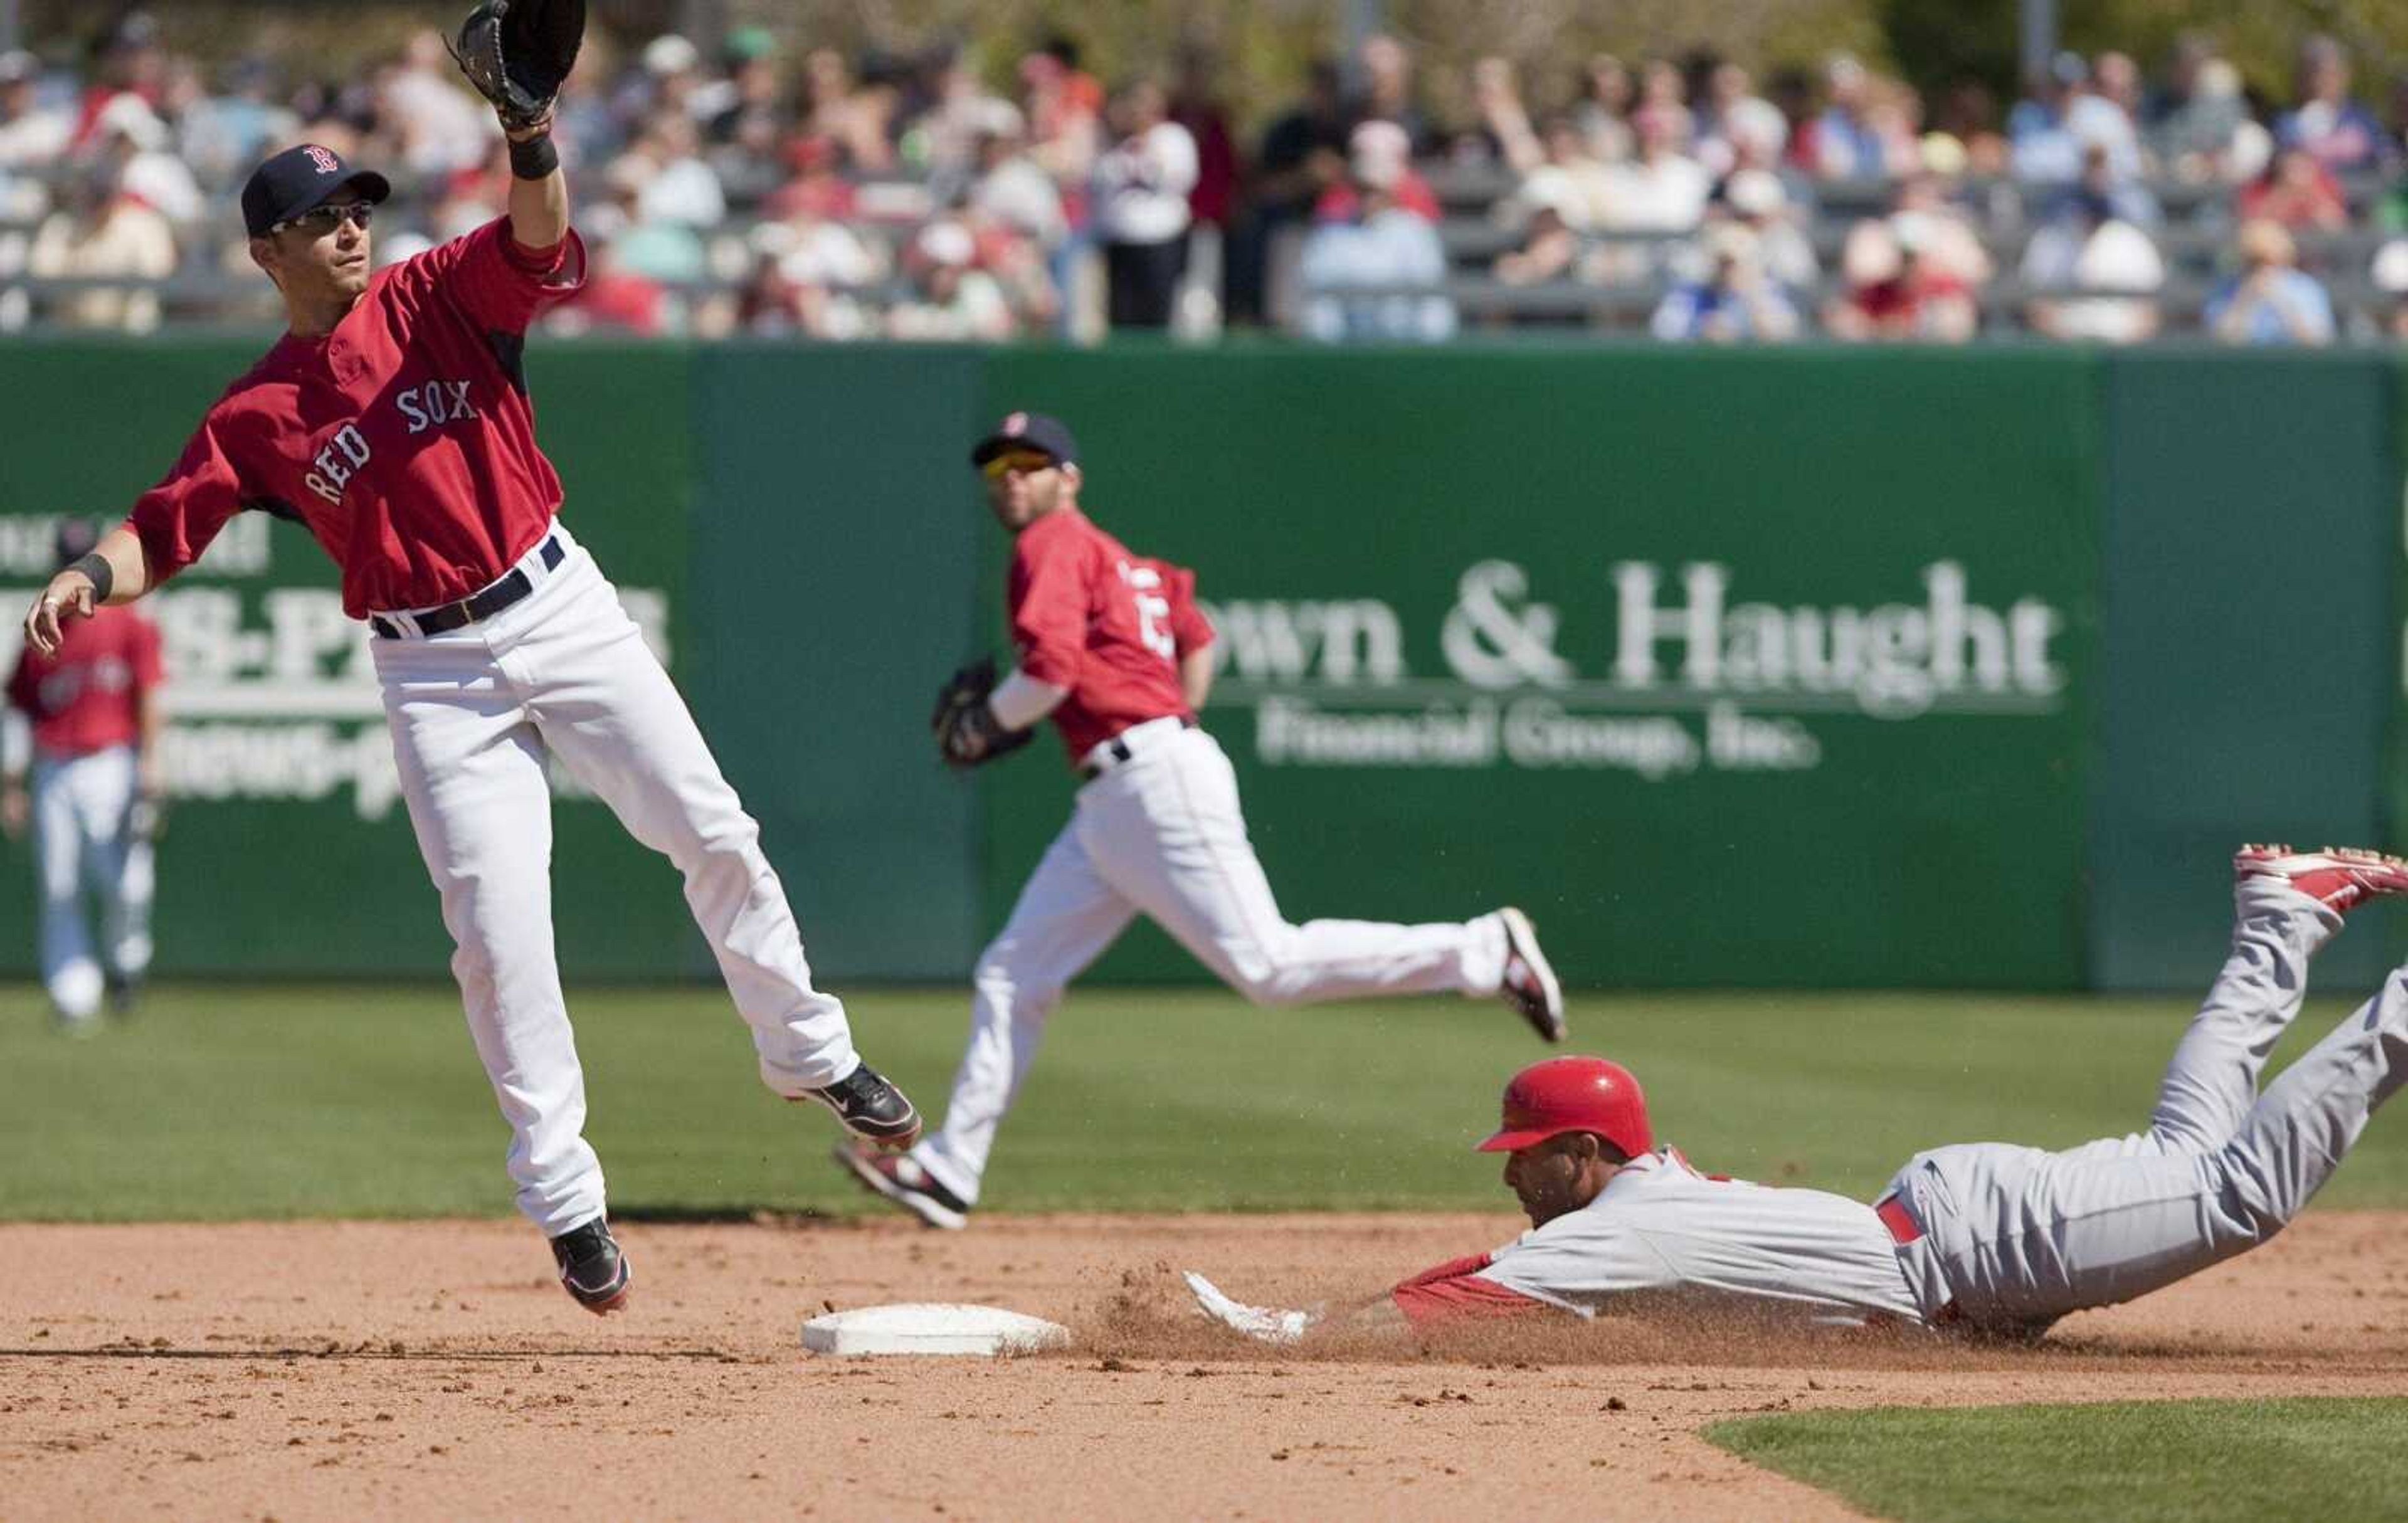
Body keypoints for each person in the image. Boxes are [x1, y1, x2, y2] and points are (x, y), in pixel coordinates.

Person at [14, 14, 920, 1316]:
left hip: (560, 603)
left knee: (709, 826)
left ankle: (811, 1053)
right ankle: (565, 1199)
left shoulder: (437, 291)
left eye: (355, 205)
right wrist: (89, 576)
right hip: (431, 674)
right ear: (267, 249)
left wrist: (529, 127)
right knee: (498, 935)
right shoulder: (257, 412)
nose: (347, 226)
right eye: (320, 215)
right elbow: (171, 526)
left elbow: (541, 245)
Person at [1188, 845, 2408, 1343]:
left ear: (1585, 1148)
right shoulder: (1637, 1193)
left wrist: (1287, 1328)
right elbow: (1494, 1266)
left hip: (1977, 1249)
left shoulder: (1627, 1222)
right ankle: (2285, 911)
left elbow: (1441, 1300)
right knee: (2183, 1148)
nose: (1507, 1166)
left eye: (1525, 1148)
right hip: (1954, 1232)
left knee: (2235, 1184)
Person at [836, 413, 1567, 1231]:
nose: (1012, 476)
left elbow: (1048, 672)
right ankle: (948, 1170)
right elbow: (1198, 636)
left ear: (1068, 477)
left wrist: (987, 725)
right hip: (1121, 795)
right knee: (1013, 974)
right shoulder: (1132, 564)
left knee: (1270, 965)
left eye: (1031, 461)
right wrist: (1172, 717)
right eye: (999, 464)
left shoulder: (1053, 541)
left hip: (1146, 779)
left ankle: (1481, 949)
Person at [3, 520, 162, 1033]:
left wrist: (152, 761)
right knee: (59, 882)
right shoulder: (40, 632)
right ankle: (73, 992)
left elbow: (150, 694)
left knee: (123, 880)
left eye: (78, 560)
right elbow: (19, 709)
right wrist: (11, 783)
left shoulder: (128, 623)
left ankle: (125, 965)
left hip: (110, 760)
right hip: (54, 765)